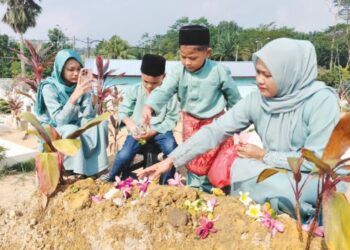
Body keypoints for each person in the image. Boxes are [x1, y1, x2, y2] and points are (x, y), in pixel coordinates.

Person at [139, 38, 346, 222]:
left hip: (311, 175)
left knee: (287, 188)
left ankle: (304, 220)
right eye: (257, 72)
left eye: (267, 74)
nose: (259, 80)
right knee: (238, 168)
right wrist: (171, 161)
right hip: (271, 171)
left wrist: (265, 156)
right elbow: (216, 130)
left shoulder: (321, 101)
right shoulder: (258, 100)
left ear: (288, 74)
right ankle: (271, 214)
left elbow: (317, 159)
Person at [143, 25, 241, 191]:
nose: (187, 62)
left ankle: (219, 191)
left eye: (193, 58)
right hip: (191, 124)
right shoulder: (178, 72)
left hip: (216, 123)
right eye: (183, 57)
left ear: (207, 53)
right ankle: (195, 189)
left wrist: (239, 122)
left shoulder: (219, 71)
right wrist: (149, 106)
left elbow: (234, 99)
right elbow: (164, 90)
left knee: (218, 161)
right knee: (192, 157)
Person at [100, 54, 179, 184]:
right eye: (146, 81)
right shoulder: (134, 90)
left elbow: (171, 120)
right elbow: (124, 111)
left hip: (161, 132)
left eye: (154, 83)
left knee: (172, 149)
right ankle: (111, 176)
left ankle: (167, 182)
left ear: (163, 77)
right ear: (141, 75)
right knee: (124, 155)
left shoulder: (169, 95)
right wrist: (130, 124)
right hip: (138, 132)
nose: (149, 86)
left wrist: (153, 132)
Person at [35, 49, 109, 176]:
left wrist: (90, 96)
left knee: (100, 124)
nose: (75, 73)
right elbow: (59, 120)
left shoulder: (79, 84)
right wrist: (75, 96)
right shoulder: (49, 87)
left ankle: (99, 167)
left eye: (79, 69)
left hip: (75, 124)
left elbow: (88, 117)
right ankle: (75, 171)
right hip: (53, 128)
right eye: (70, 69)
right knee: (71, 129)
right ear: (60, 69)